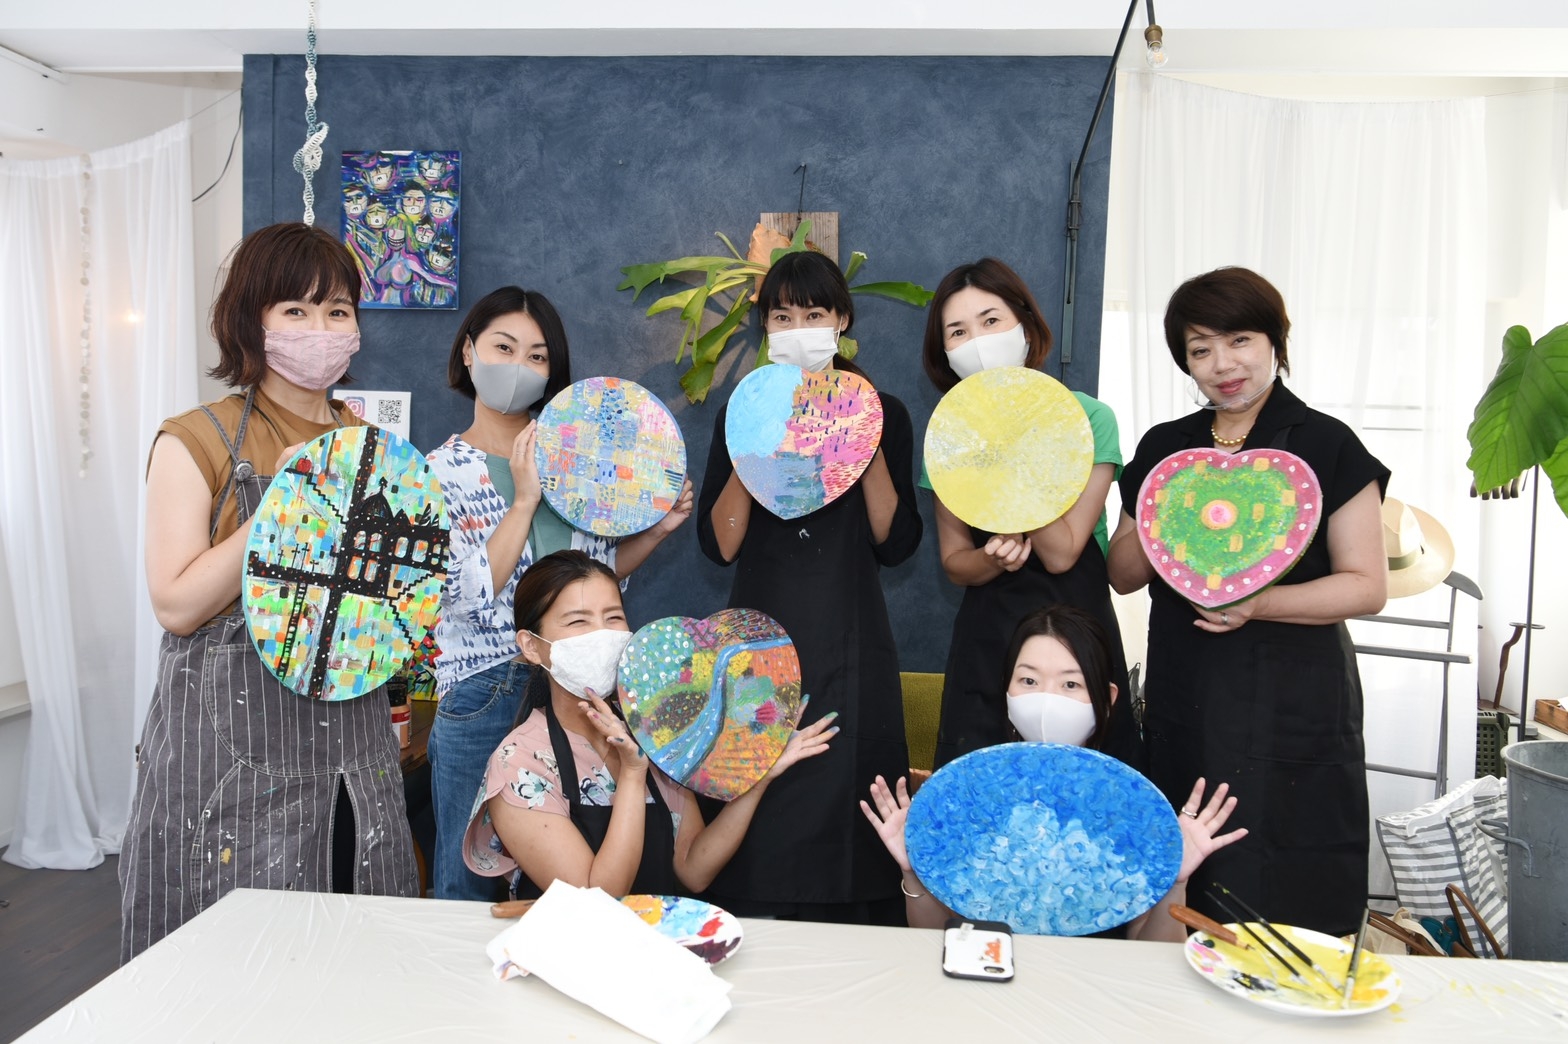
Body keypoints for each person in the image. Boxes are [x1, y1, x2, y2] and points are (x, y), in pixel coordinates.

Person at [120, 223, 419, 962]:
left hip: (354, 759)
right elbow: (177, 604)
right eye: (295, 309)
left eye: (338, 310)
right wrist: (279, 506)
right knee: (230, 969)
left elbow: (390, 606)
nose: (320, 328)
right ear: (251, 320)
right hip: (230, 768)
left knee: (351, 962)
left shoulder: (373, 451)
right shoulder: (195, 439)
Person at [1105, 266, 1389, 937]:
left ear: (1275, 342)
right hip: (1189, 689)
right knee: (1188, 864)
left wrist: (1258, 604)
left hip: (1297, 696)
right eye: (1200, 349)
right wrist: (1169, 507)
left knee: (1292, 867)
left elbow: (1366, 585)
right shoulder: (1165, 446)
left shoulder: (1327, 444)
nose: (1223, 365)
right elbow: (1122, 574)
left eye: (1240, 341)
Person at [426, 286, 693, 901]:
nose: (519, 366)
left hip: (573, 685)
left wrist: (655, 532)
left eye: (537, 356)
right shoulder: (439, 471)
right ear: (468, 352)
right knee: (468, 883)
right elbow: (462, 597)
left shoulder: (579, 457)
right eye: (504, 347)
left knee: (569, 875)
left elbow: (597, 577)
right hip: (484, 686)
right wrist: (523, 500)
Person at [695, 250, 923, 924]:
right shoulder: (740, 410)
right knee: (760, 802)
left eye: (813, 314)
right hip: (757, 642)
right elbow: (720, 544)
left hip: (851, 643)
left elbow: (896, 543)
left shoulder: (887, 411)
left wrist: (862, 432)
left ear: (841, 321)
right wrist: (755, 436)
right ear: (765, 328)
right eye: (782, 316)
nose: (798, 329)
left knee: (850, 813)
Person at [462, 551, 837, 897]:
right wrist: (631, 774)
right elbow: (599, 900)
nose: (602, 635)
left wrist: (759, 778)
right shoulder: (519, 762)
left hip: (659, 940)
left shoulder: (657, 727)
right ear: (531, 645)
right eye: (578, 621)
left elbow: (693, 869)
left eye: (613, 617)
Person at [860, 605, 1246, 939]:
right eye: (1029, 680)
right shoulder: (967, 797)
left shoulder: (1131, 808)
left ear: (1107, 699)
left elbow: (1153, 954)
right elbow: (937, 936)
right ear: (1007, 690)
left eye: (1071, 683)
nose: (1047, 698)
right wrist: (914, 871)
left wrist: (1174, 881)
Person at [918, 259, 1140, 770]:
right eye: (958, 331)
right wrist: (991, 560)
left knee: (1089, 791)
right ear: (944, 351)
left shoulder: (1089, 417)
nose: (978, 341)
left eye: (991, 321)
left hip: (1077, 632)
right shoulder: (949, 434)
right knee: (981, 789)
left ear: (1025, 323)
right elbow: (955, 562)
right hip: (988, 637)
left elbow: (1062, 553)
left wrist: (1009, 440)